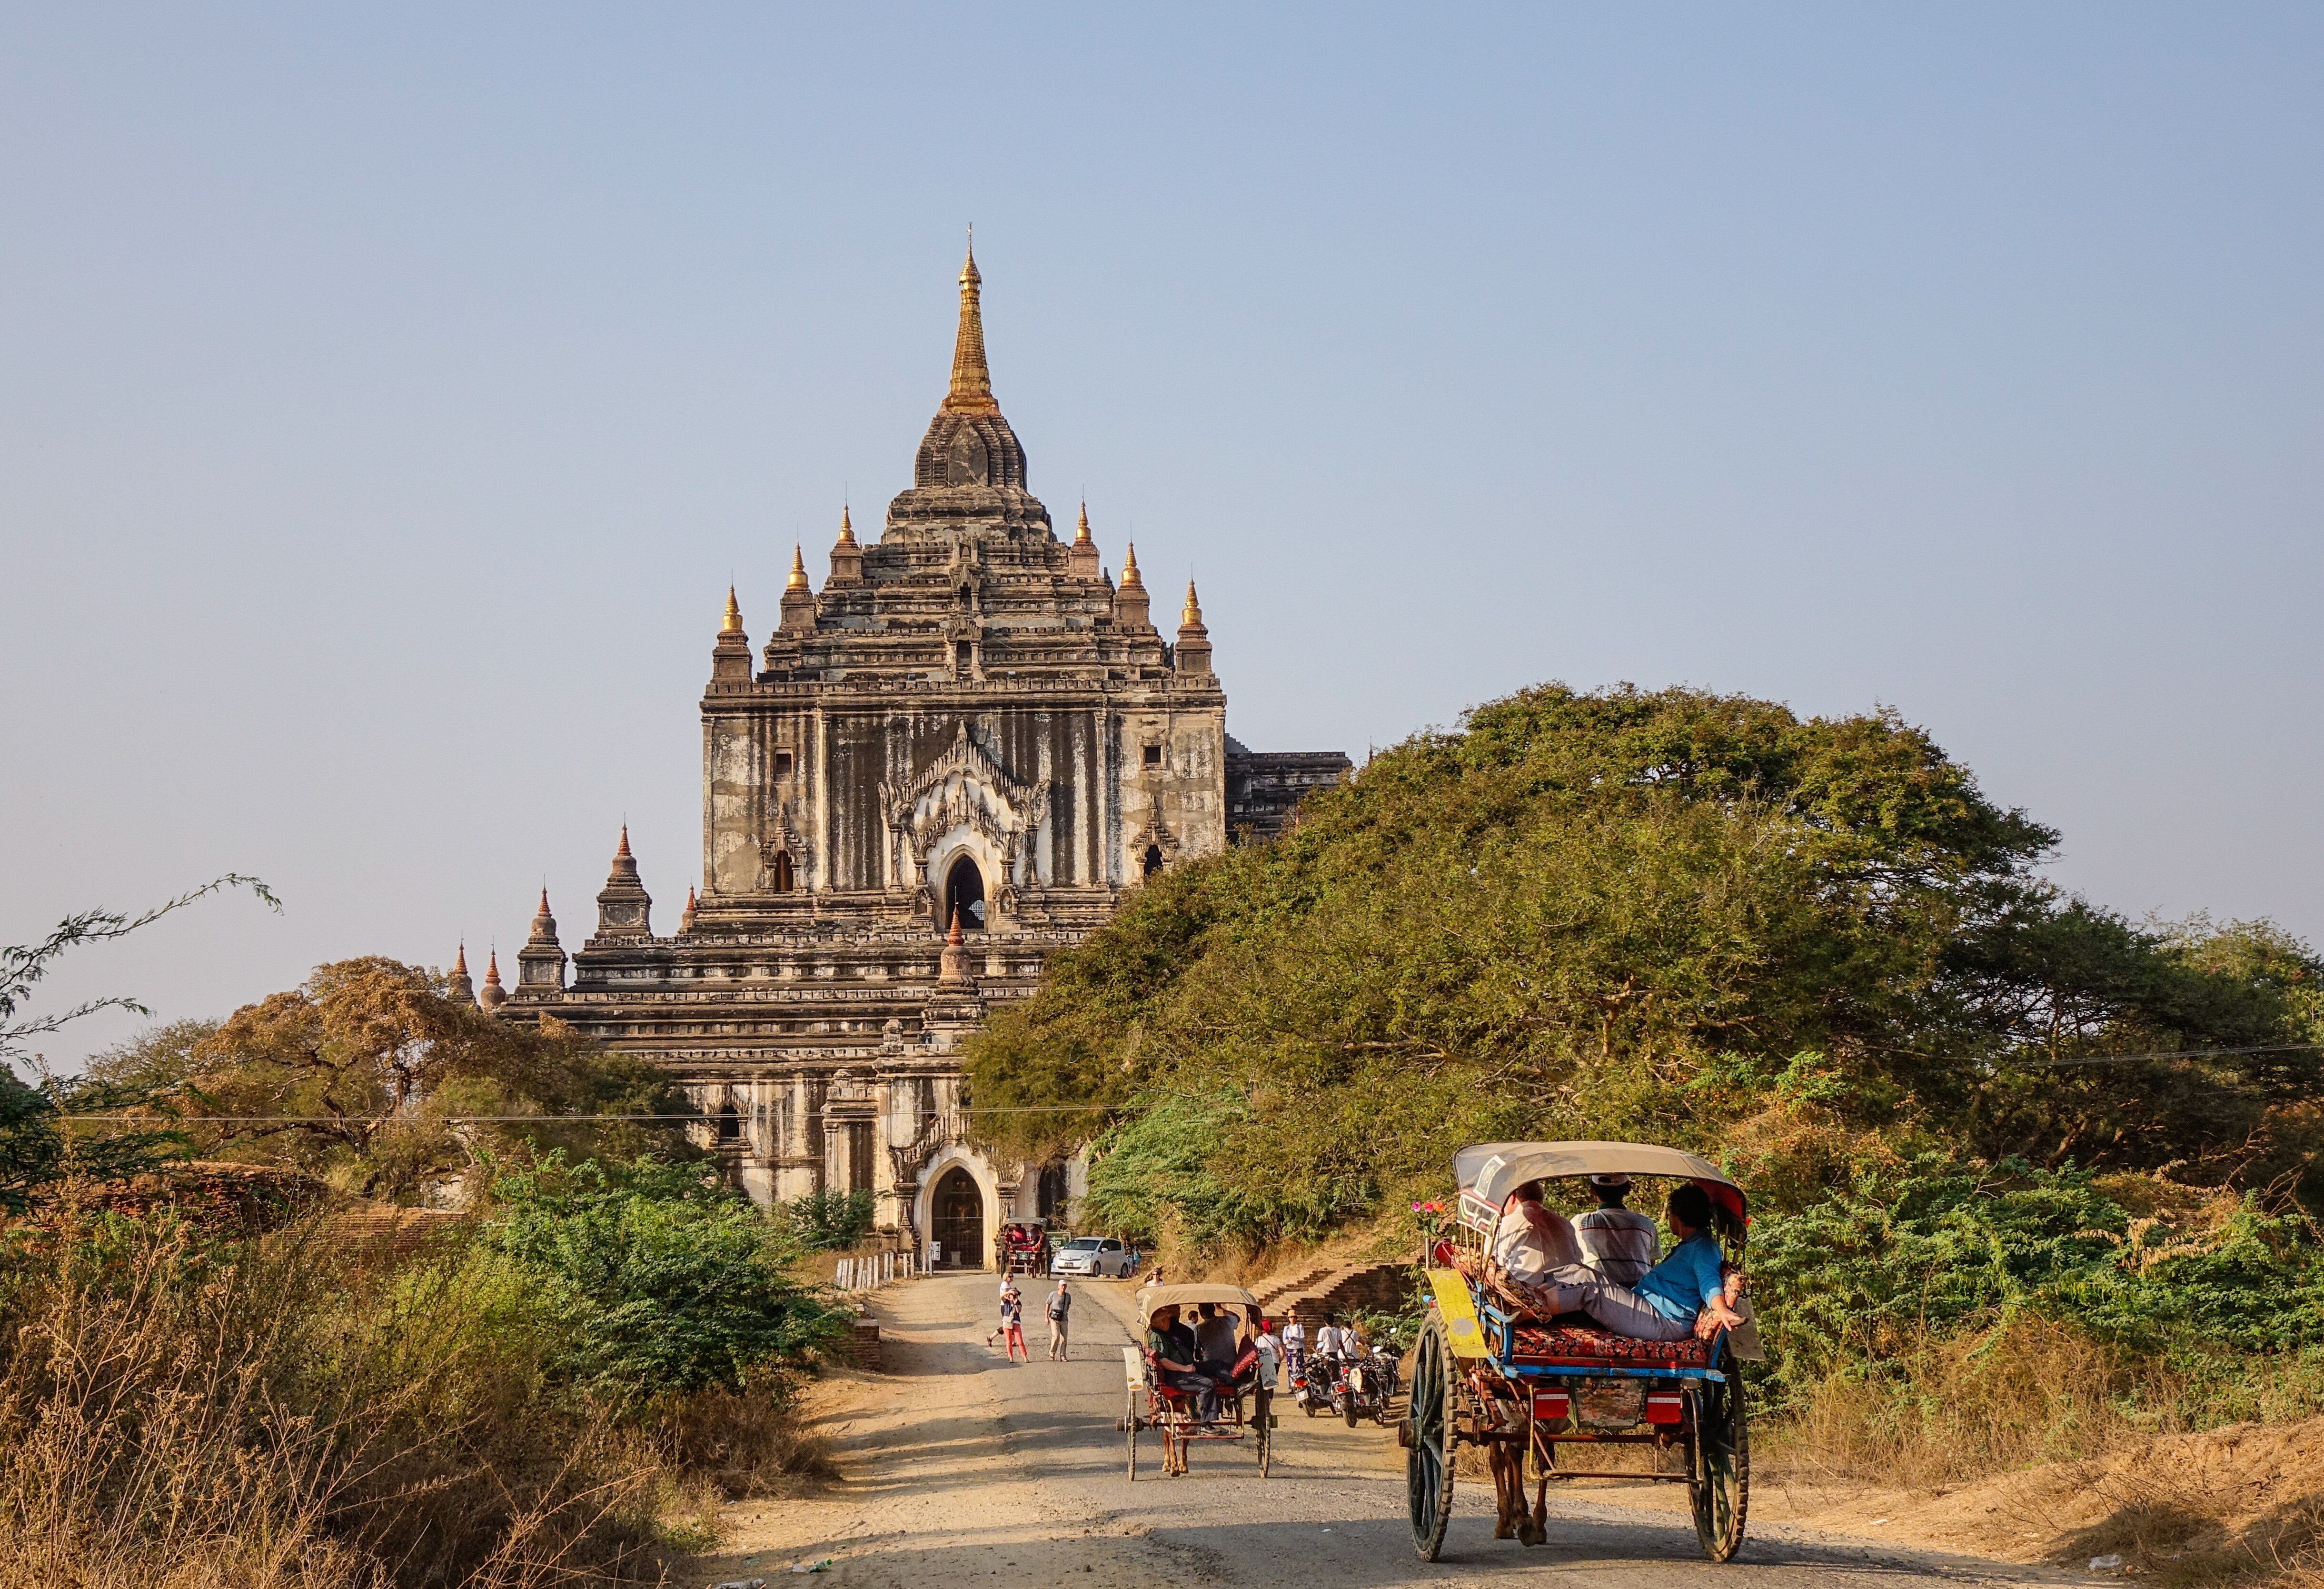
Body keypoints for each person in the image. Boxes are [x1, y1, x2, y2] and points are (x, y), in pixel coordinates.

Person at [1543, 1183, 1745, 1342]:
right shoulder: (1690, 1246)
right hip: (1649, 1310)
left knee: (1587, 1281)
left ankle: (1528, 1312)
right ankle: (1530, 1296)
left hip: (1663, 1320)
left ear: (1678, 1216)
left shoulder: (1703, 1248)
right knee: (1576, 1272)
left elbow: (1709, 1283)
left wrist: (1722, 1309)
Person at [1491, 1179, 1585, 1291]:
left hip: (1524, 1298)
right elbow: (1578, 1259)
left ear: (1512, 1197)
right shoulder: (1565, 1224)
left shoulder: (1505, 1225)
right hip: (1568, 1293)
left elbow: (1491, 1266)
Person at [1576, 1173, 1661, 1288]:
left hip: (1599, 1296)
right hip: (1640, 1294)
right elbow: (1651, 1263)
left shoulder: (1581, 1223)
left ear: (1592, 1190)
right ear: (1628, 1190)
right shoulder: (1645, 1223)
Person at [1147, 1303, 1222, 1421]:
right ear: (1161, 1322)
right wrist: (1185, 1368)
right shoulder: (1157, 1337)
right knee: (1208, 1385)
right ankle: (1206, 1423)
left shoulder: (1164, 1334)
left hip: (1187, 1368)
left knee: (1215, 1365)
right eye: (1166, 1319)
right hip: (1177, 1375)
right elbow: (1163, 1361)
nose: (1169, 1321)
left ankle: (1235, 1384)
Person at [999, 1282, 1029, 1363]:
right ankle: (1011, 1357)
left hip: (1016, 1322)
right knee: (1009, 1341)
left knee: (1020, 1341)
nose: (1014, 1296)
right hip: (1007, 1322)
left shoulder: (1018, 1303)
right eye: (1013, 1295)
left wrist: (1016, 1304)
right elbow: (1001, 1296)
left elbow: (1019, 1311)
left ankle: (1025, 1356)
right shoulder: (1007, 1302)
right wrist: (1009, 1292)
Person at [1046, 1279, 1073, 1360]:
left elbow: (1068, 1306)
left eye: (1065, 1286)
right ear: (1059, 1286)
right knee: (1056, 1336)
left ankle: (1063, 1355)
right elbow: (1048, 1304)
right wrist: (1046, 1317)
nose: (1063, 1288)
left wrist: (1064, 1314)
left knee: (1064, 1338)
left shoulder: (1068, 1296)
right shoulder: (1053, 1295)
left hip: (1064, 1319)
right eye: (1062, 1286)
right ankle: (1052, 1352)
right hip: (1054, 1319)